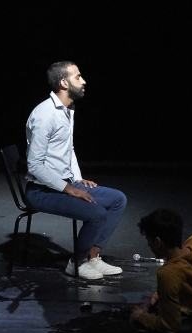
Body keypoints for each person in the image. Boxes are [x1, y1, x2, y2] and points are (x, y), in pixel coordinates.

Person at [25, 61, 129, 281]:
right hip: (41, 191)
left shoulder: (68, 109)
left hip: (65, 184)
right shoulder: (45, 115)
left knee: (118, 199)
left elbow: (68, 148)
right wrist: (70, 189)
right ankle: (77, 263)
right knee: (97, 213)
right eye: (78, 77)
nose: (83, 81)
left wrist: (78, 179)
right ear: (64, 83)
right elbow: (34, 165)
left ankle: (92, 256)